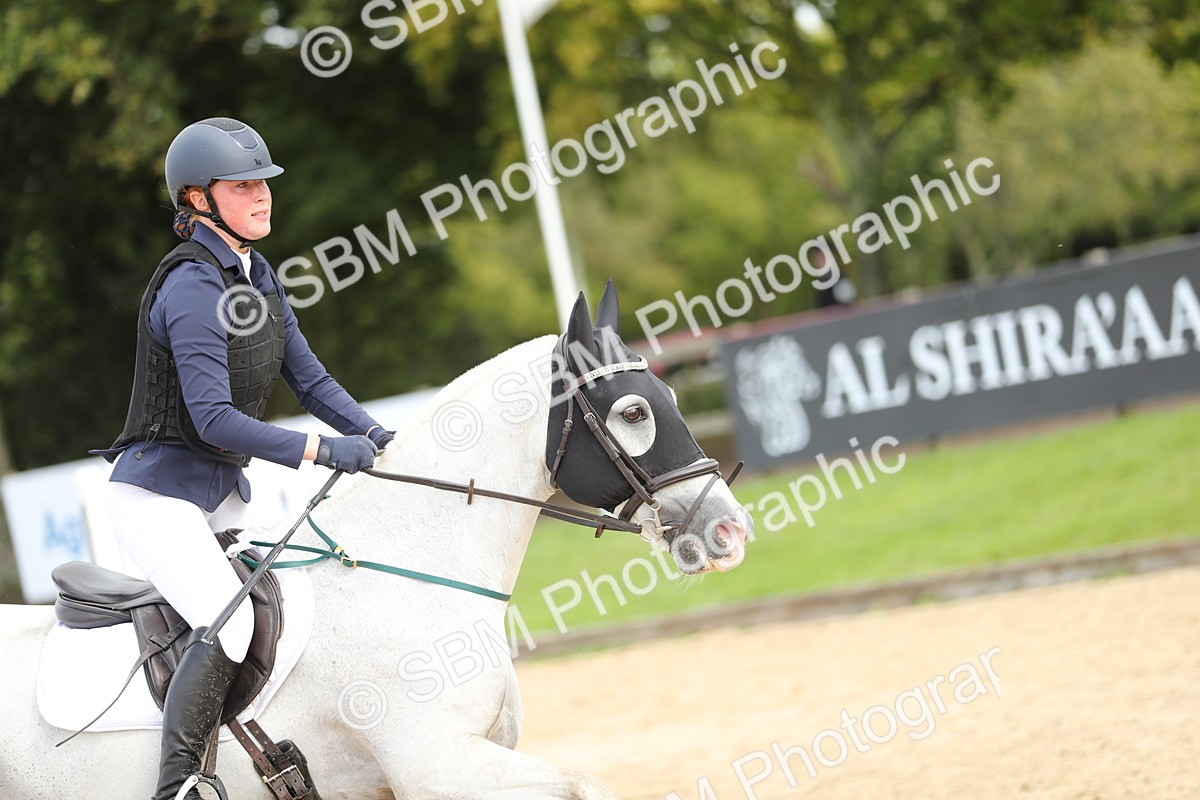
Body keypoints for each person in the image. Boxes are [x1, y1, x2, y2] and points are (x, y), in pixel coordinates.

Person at [90, 117, 393, 800]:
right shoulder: (192, 288)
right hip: (158, 498)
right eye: (242, 185)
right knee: (229, 624)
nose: (262, 196)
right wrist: (323, 450)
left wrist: (378, 436)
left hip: (220, 497)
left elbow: (310, 380)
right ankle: (181, 787)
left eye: (264, 183)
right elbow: (216, 420)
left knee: (294, 608)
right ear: (197, 199)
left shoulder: (257, 275)